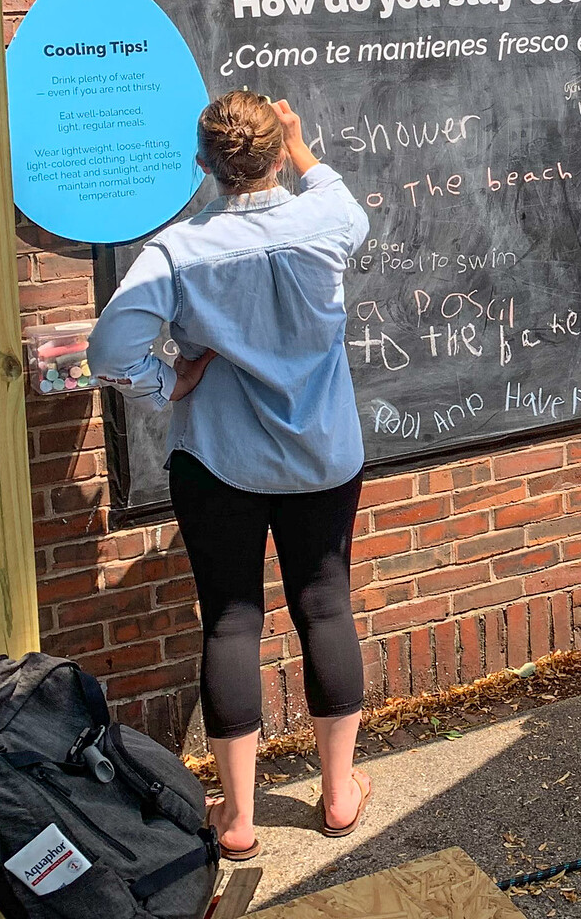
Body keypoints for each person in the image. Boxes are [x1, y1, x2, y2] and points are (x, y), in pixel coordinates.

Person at [89, 90, 373, 859]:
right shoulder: (329, 222)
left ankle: (242, 818)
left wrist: (166, 383)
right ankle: (340, 795)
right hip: (321, 457)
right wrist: (299, 138)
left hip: (220, 462)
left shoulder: (177, 249)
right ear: (276, 154)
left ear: (204, 166)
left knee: (230, 620)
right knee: (325, 608)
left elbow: (110, 349)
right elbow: (335, 191)